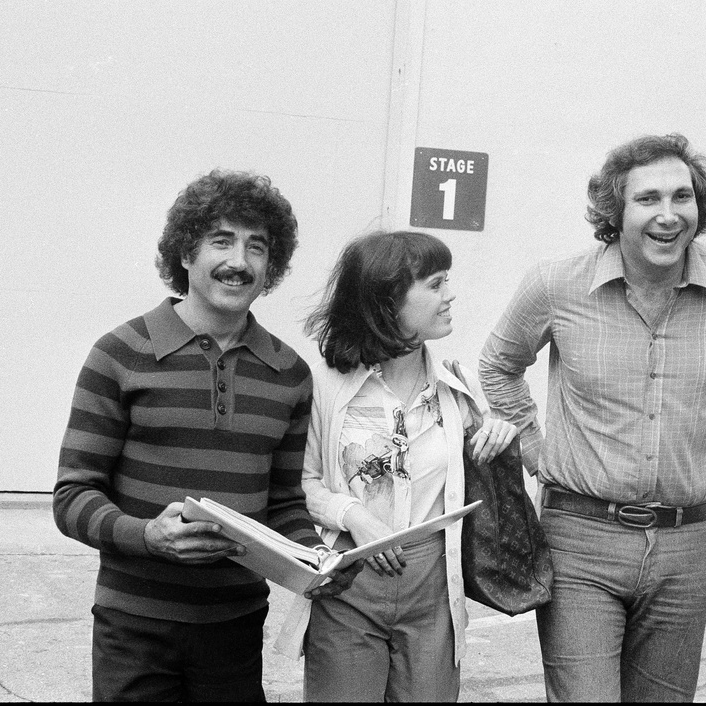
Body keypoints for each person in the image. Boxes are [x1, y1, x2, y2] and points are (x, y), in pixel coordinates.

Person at [53, 169, 361, 702]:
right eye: (222, 240)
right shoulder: (119, 353)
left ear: (272, 266)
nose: (239, 261)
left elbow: (284, 502)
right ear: (184, 254)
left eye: (256, 247)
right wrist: (147, 535)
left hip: (236, 628)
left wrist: (316, 559)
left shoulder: (288, 373)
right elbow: (72, 495)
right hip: (134, 627)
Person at [478, 133, 706, 702]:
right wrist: (538, 453)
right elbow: (498, 367)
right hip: (579, 538)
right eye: (648, 199)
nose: (668, 215)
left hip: (687, 545)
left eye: (683, 197)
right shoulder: (557, 284)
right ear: (616, 210)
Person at [285, 230, 517, 702]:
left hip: (433, 585)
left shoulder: (459, 388)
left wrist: (499, 436)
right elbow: (301, 483)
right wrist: (357, 517)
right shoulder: (326, 387)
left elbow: (486, 483)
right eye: (434, 284)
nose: (449, 295)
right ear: (387, 300)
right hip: (349, 582)